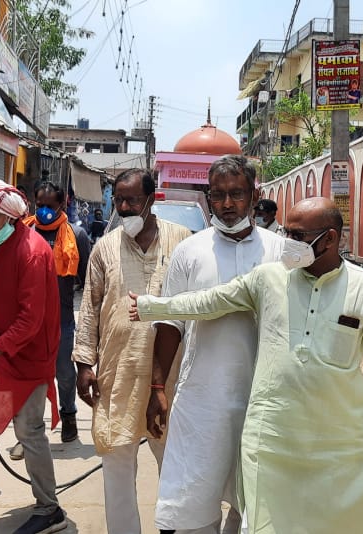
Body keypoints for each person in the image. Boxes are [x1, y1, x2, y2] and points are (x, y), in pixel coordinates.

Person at [131, 197, 363, 533]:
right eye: (286, 232)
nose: (288, 243)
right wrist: (153, 306)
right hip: (272, 441)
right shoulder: (268, 279)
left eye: (299, 236)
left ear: (331, 239)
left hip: (341, 447)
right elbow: (210, 301)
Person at [147, 155, 284, 534]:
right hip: (202, 399)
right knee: (192, 500)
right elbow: (170, 321)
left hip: (263, 399)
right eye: (218, 195)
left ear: (254, 195)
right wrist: (157, 387)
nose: (226, 204)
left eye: (236, 194)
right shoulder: (190, 252)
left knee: (255, 503)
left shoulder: (278, 251)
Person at [72, 168, 192, 534]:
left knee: (174, 461)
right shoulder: (105, 246)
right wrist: (83, 363)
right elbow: (90, 306)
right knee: (117, 460)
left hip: (171, 376)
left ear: (150, 200)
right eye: (119, 200)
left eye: (132, 201)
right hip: (117, 371)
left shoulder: (182, 242)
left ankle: (175, 526)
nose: (124, 207)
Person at [0, 178, 68, 534]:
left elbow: (30, 320)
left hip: (33, 350)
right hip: (0, 336)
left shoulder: (33, 252)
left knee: (29, 430)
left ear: (9, 218)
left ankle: (50, 509)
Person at [24, 181, 92, 444]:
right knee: (30, 375)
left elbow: (88, 278)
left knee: (64, 372)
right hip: (29, 319)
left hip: (62, 319)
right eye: (39, 205)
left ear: (61, 205)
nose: (43, 211)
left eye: (49, 207)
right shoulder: (25, 231)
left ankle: (69, 416)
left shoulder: (76, 235)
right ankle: (29, 428)